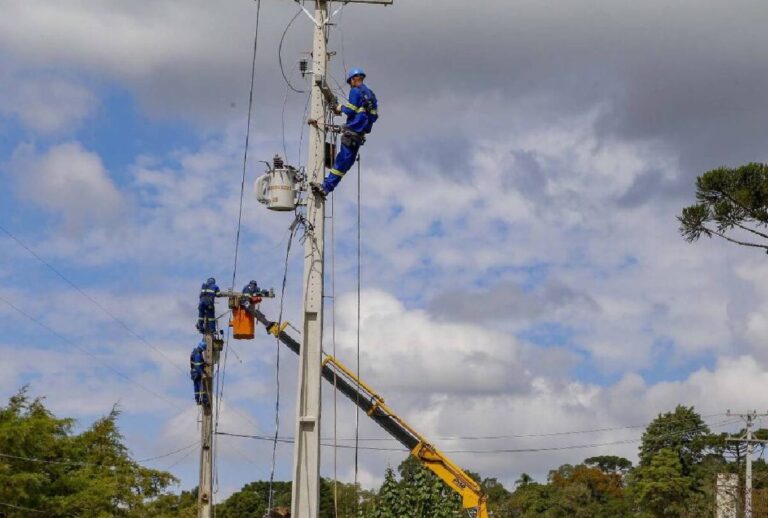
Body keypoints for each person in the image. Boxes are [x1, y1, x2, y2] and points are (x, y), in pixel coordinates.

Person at [311, 67, 378, 198]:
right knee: (345, 165)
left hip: (351, 133)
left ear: (353, 79)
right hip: (359, 137)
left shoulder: (355, 91)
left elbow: (350, 110)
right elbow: (374, 117)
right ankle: (327, 188)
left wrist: (338, 107)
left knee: (341, 164)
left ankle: (326, 187)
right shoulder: (371, 95)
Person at [190, 340, 208, 405]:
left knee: (196, 387)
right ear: (201, 348)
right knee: (201, 387)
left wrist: (204, 363)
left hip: (194, 372)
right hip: (197, 373)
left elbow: (199, 363)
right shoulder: (198, 354)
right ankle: (204, 400)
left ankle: (198, 400)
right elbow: (197, 366)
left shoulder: (194, 352)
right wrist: (202, 373)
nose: (203, 351)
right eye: (203, 349)